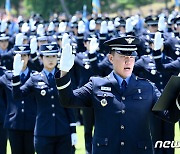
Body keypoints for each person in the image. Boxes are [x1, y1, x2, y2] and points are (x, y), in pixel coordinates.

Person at [56, 35, 180, 154]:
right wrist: (64, 73)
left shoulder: (148, 87)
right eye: (123, 55)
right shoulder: (96, 84)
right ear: (111, 58)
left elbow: (170, 116)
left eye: (131, 56)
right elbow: (68, 100)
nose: (128, 61)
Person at [11, 43, 77, 154]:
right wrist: (16, 76)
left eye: (53, 56)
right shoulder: (35, 78)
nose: (51, 59)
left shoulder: (63, 77)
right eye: (47, 56)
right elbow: (17, 95)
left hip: (63, 131)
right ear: (41, 58)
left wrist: (73, 131)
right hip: (43, 132)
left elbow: (69, 105)